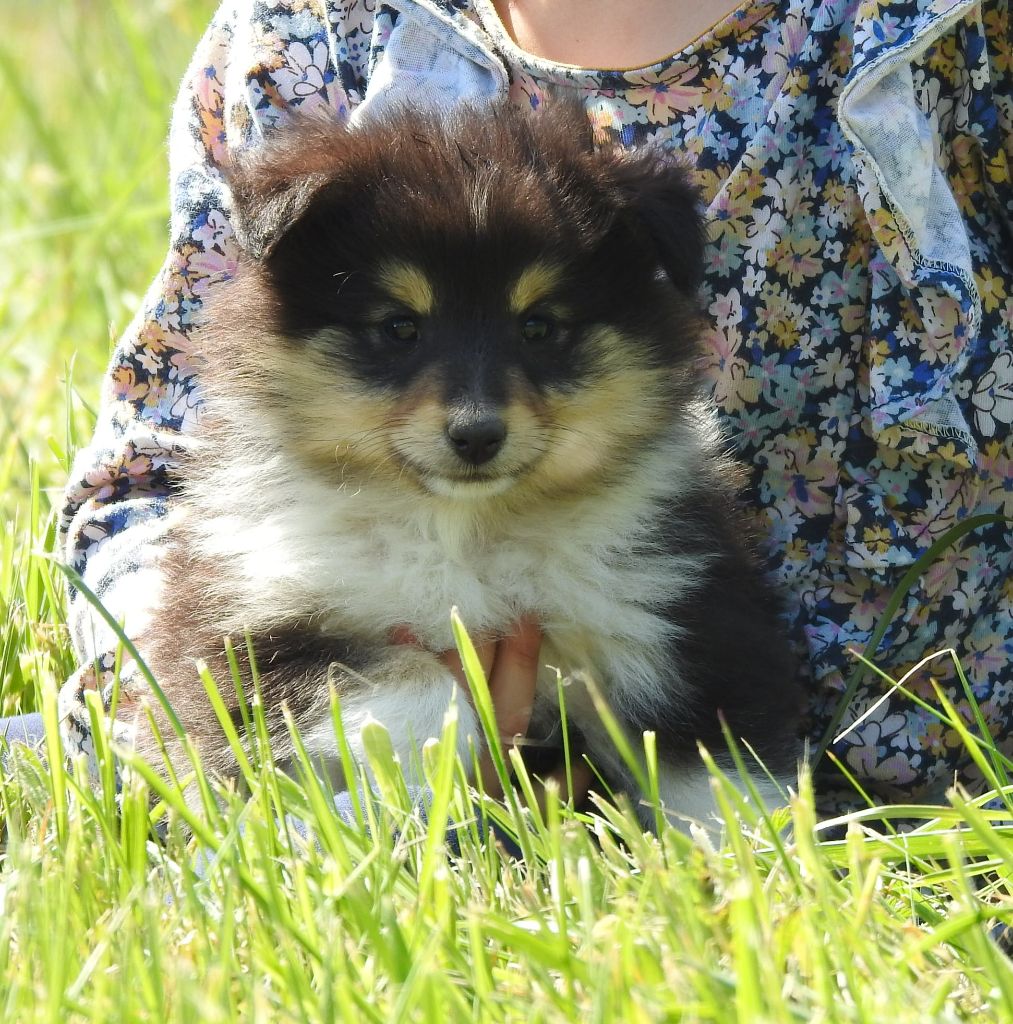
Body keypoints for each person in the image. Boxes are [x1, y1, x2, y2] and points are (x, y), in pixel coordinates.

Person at [6, 0, 1007, 820]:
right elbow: (142, 492)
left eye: (541, 335)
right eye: (400, 334)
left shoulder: (938, 34)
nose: (473, 410)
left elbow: (714, 712)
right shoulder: (313, 35)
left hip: (931, 778)